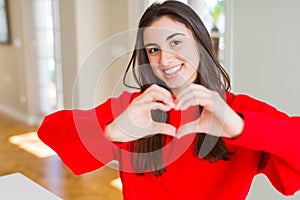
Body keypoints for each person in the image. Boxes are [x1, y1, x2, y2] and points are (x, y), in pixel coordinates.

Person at [38, 1, 300, 199]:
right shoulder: (136, 108)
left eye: (176, 43)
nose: (164, 61)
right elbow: (50, 129)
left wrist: (241, 127)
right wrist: (115, 130)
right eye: (154, 50)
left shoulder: (238, 111)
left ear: (200, 44)